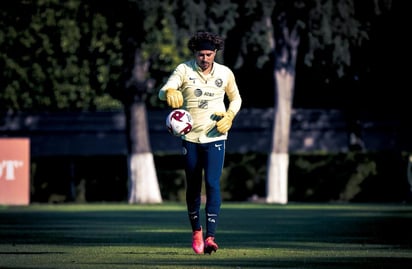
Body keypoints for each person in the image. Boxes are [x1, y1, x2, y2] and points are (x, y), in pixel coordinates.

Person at [158, 31, 242, 254]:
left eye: (208, 54)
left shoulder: (225, 73)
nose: (204, 59)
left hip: (215, 136)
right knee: (194, 185)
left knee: (213, 183)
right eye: (200, 54)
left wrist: (230, 116)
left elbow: (236, 98)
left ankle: (211, 237)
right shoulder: (184, 69)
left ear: (215, 53)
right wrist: (169, 91)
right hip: (190, 137)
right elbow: (163, 90)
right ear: (194, 54)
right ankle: (196, 231)